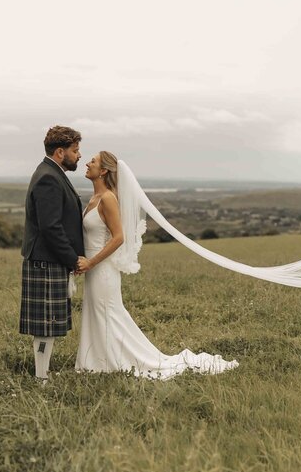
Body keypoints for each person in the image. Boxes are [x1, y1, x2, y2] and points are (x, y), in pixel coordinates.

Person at [74, 151, 239, 379]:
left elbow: (118, 237)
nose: (87, 163)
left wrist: (91, 262)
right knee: (97, 313)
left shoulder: (109, 199)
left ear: (103, 171)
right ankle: (95, 361)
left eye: (92, 161)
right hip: (93, 268)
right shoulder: (93, 199)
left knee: (108, 313)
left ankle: (112, 362)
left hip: (102, 269)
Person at [20, 126, 86, 382]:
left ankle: (42, 373)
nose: (79, 155)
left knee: (48, 324)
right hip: (46, 262)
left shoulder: (52, 172)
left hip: (47, 261)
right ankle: (41, 377)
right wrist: (72, 259)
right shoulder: (49, 177)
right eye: (75, 150)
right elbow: (51, 226)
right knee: (45, 325)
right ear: (60, 152)